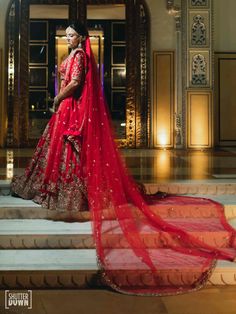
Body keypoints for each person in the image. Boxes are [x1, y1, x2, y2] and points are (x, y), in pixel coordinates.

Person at [11, 21, 236, 296]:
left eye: (72, 35)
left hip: (72, 106)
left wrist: (58, 97)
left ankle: (76, 193)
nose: (68, 38)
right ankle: (62, 189)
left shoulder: (80, 55)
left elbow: (76, 82)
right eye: (66, 35)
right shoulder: (72, 54)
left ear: (81, 37)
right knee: (59, 152)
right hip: (68, 107)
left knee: (71, 151)